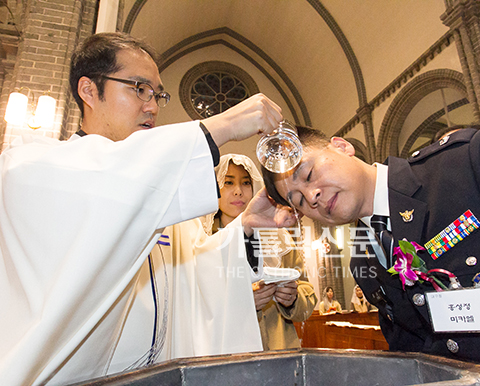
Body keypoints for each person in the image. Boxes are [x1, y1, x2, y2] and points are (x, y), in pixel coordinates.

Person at [0, 32, 288, 386]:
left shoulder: (160, 199)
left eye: (157, 94)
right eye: (138, 89)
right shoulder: (33, 169)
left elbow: (195, 275)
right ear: (89, 91)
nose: (152, 106)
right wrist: (221, 126)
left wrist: (241, 229)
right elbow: (106, 182)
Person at [261, 125, 480, 375]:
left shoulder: (464, 163)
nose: (311, 197)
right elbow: (413, 349)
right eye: (297, 200)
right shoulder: (364, 260)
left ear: (342, 146)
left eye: (309, 174)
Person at [201, 154, 317, 350]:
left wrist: (293, 299)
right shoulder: (203, 242)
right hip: (229, 351)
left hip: (279, 350)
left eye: (245, 183)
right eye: (228, 183)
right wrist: (242, 301)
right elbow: (196, 307)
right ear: (216, 187)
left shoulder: (280, 239)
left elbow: (308, 296)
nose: (238, 191)